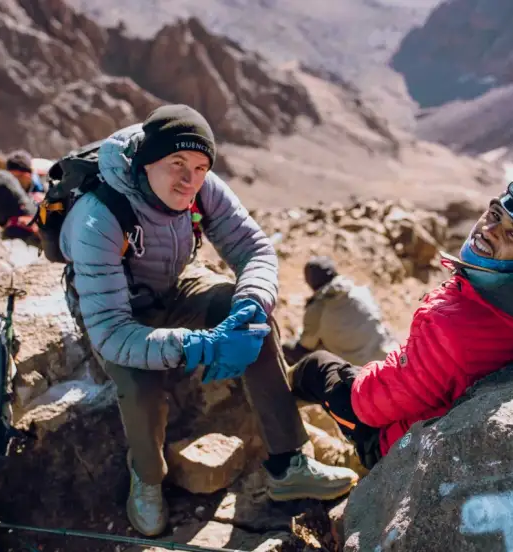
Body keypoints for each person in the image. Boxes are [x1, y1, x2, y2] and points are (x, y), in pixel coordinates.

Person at [59, 104, 358, 537]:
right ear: (146, 161)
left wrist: (250, 305)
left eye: (200, 167)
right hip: (122, 310)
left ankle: (287, 462)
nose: (189, 179)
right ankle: (147, 476)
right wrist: (200, 346)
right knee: (140, 386)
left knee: (253, 325)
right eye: (176, 164)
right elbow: (110, 331)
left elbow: (254, 248)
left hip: (175, 283)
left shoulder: (203, 189)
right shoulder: (99, 218)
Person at [288, 180, 513, 470]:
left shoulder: (452, 323)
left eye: (512, 235)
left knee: (315, 368)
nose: (490, 230)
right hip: (448, 417)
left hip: (397, 444)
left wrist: (382, 369)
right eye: (495, 214)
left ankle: (282, 455)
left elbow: (369, 406)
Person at [283, 256, 398, 366]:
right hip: (388, 356)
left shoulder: (319, 307)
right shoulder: (360, 291)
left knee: (290, 350)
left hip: (358, 370)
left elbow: (306, 345)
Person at [0, 150, 45, 245]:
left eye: (20, 176)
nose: (17, 181)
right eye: (13, 177)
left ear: (29, 175)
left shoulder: (44, 187)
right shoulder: (6, 190)